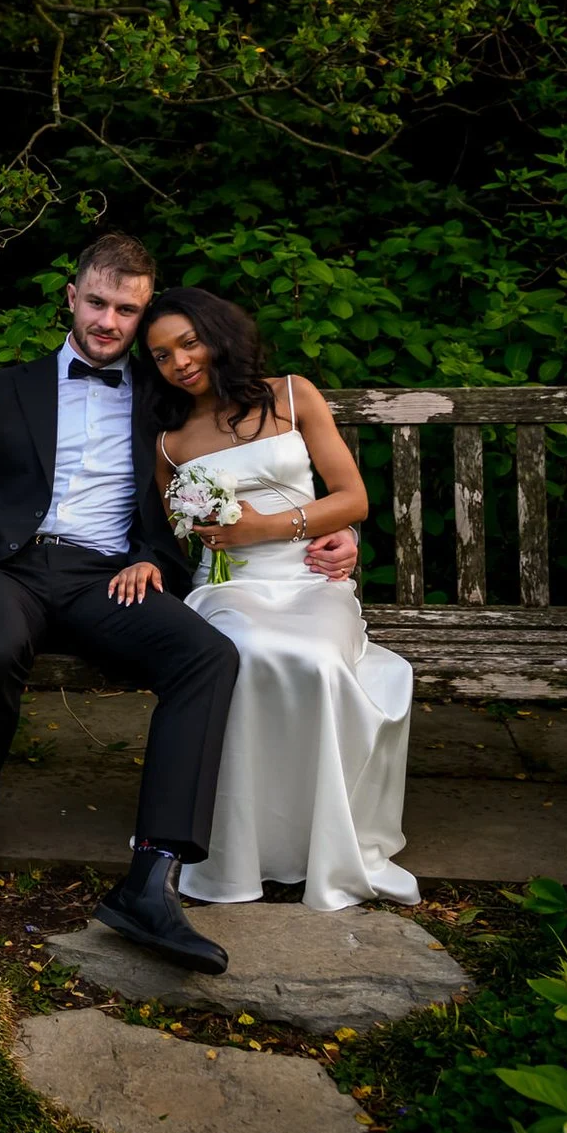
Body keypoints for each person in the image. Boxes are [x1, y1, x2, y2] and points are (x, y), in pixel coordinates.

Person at [0, 235, 360, 973]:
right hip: (4, 568)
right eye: (98, 302)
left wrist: (318, 535)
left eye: (126, 309)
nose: (109, 320)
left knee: (206, 654)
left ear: (142, 317)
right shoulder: (6, 388)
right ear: (71, 297)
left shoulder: (162, 398)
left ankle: (151, 877)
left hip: (107, 577)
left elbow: (227, 476)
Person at [141, 286, 418, 910]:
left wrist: (323, 534)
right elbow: (172, 539)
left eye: (189, 343)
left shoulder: (293, 394)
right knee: (244, 653)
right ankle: (243, 853)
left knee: (317, 661)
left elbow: (353, 497)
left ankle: (314, 845)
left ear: (217, 333)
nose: (180, 363)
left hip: (309, 579)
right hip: (229, 586)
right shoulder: (170, 442)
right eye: (160, 356)